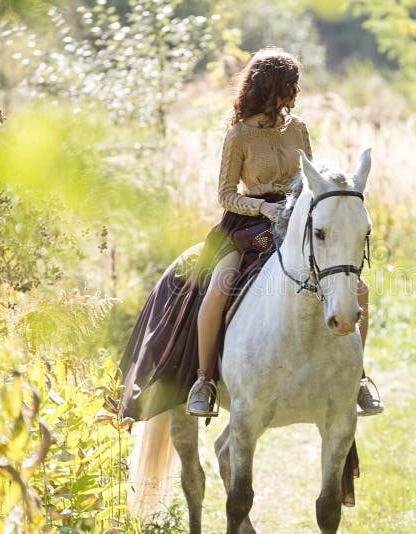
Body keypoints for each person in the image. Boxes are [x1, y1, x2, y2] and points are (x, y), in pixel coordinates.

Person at [117, 48, 383, 422]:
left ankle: (355, 377)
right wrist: (262, 207)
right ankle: (204, 380)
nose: (296, 93)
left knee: (358, 290)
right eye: (291, 86)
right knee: (219, 288)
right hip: (245, 226)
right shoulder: (238, 135)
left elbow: (311, 184)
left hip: (294, 222)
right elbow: (225, 194)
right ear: (271, 88)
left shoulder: (299, 129)